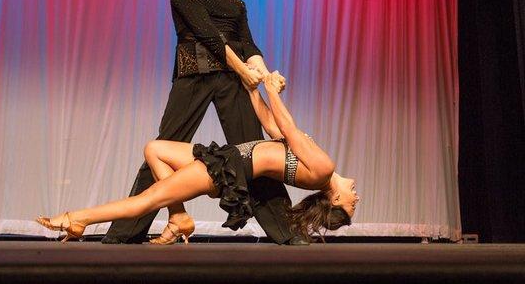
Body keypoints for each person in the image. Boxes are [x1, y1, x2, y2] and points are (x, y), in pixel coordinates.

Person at [102, 0, 298, 245]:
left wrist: (265, 72)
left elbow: (247, 44)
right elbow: (209, 36)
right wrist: (244, 71)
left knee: (255, 152)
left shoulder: (236, 3)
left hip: (232, 80)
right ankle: (125, 232)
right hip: (194, 75)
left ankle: (288, 231)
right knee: (166, 145)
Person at [37, 72, 360, 243]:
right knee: (155, 148)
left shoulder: (322, 170)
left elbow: (288, 129)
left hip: (225, 172)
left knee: (146, 200)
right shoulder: (319, 168)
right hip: (226, 158)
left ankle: (77, 219)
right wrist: (253, 88)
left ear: (333, 199)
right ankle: (179, 217)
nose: (355, 197)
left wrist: (273, 88)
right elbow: (272, 125)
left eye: (350, 203)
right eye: (354, 202)